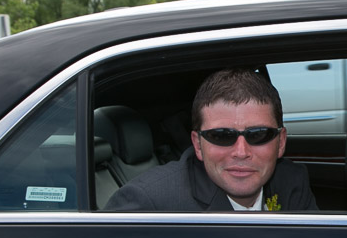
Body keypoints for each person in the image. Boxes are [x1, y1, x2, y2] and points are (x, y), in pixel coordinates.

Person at [105, 68, 317, 212]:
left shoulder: (292, 182)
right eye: (222, 136)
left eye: (258, 135)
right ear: (197, 144)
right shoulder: (150, 202)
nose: (241, 151)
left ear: (280, 142)